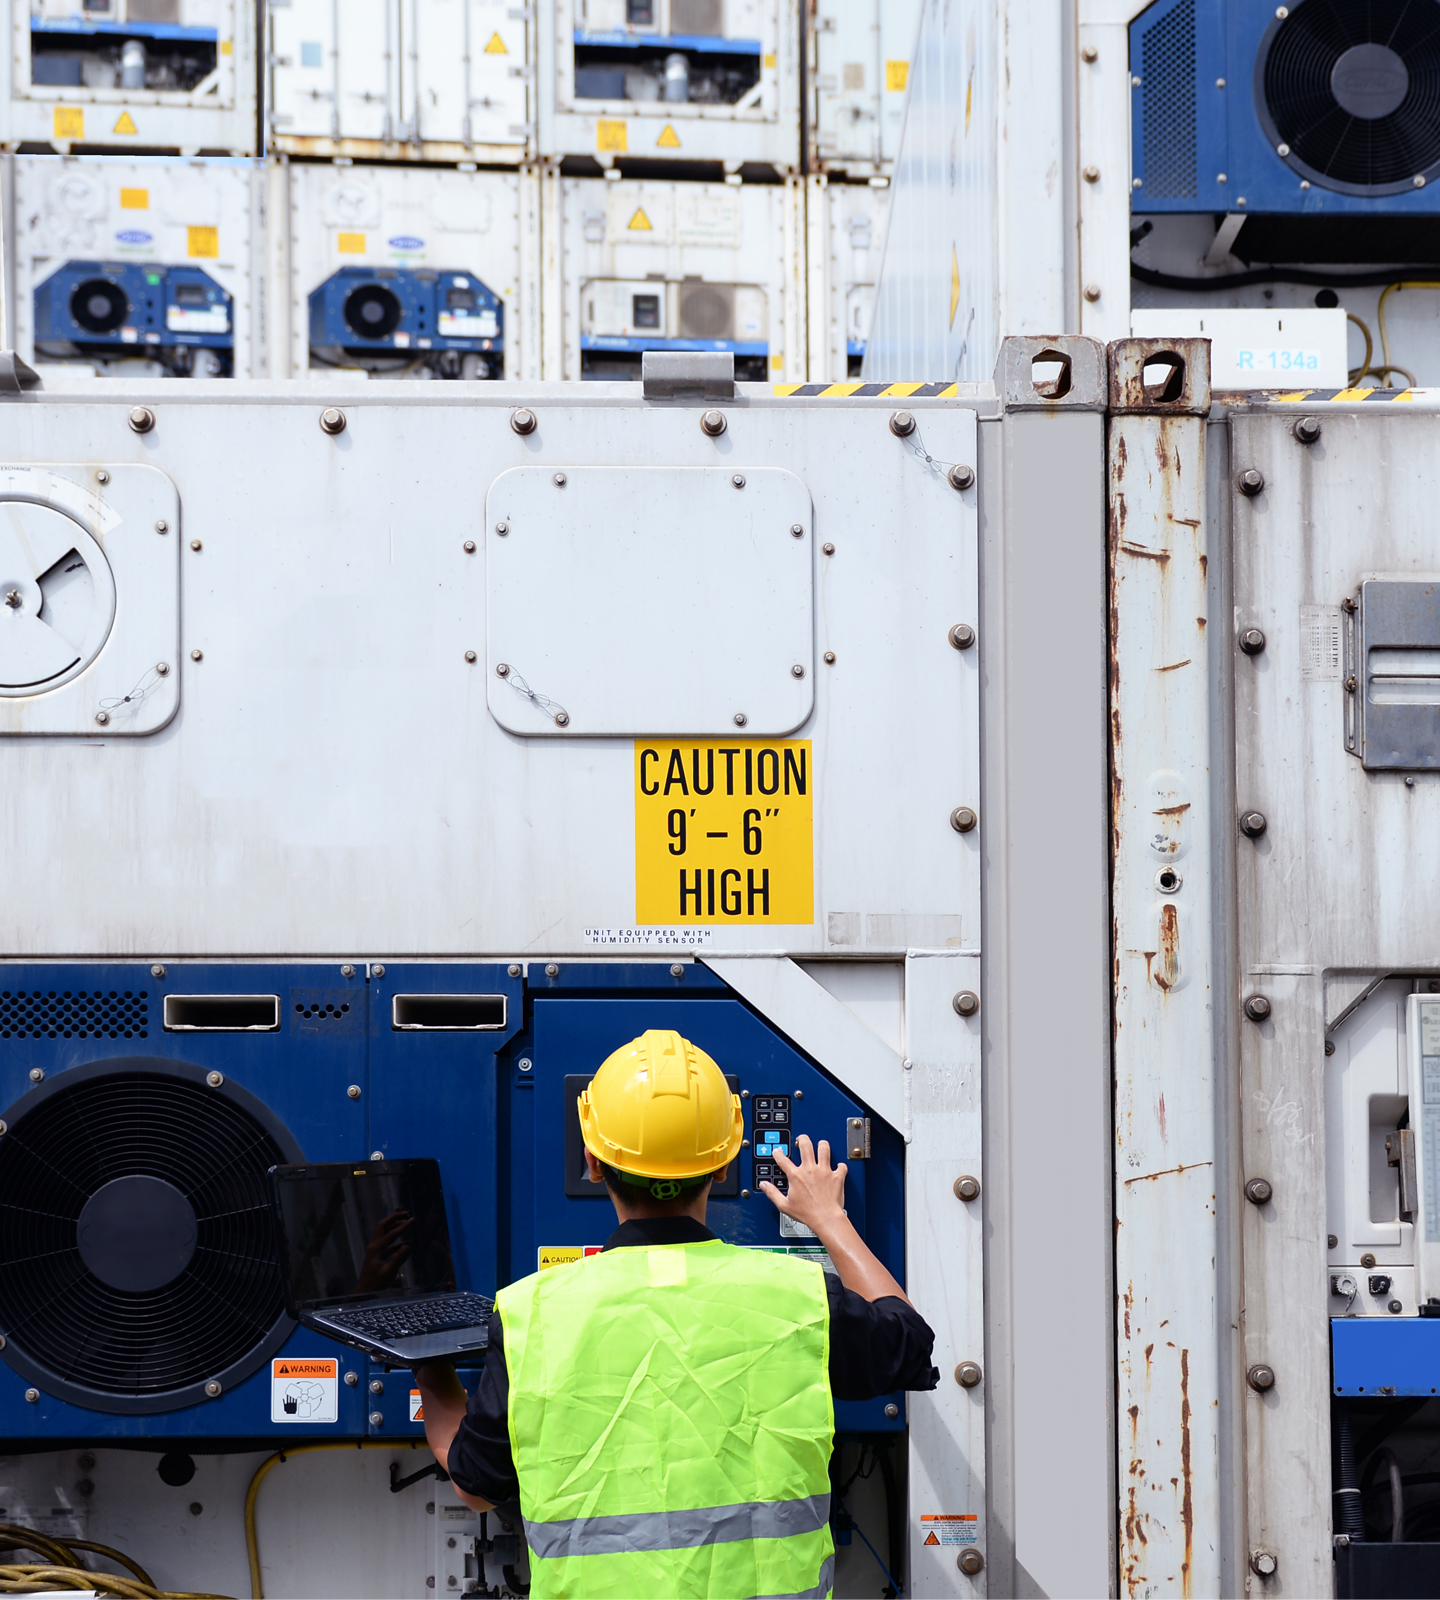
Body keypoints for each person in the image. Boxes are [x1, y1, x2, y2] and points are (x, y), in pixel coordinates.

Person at [414, 1028, 938, 1600]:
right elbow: (909, 1341)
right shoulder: (798, 1296)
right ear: (722, 1165)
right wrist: (830, 1220)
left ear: (591, 1162)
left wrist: (426, 1365)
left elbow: (475, 1485)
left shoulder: (529, 1314)